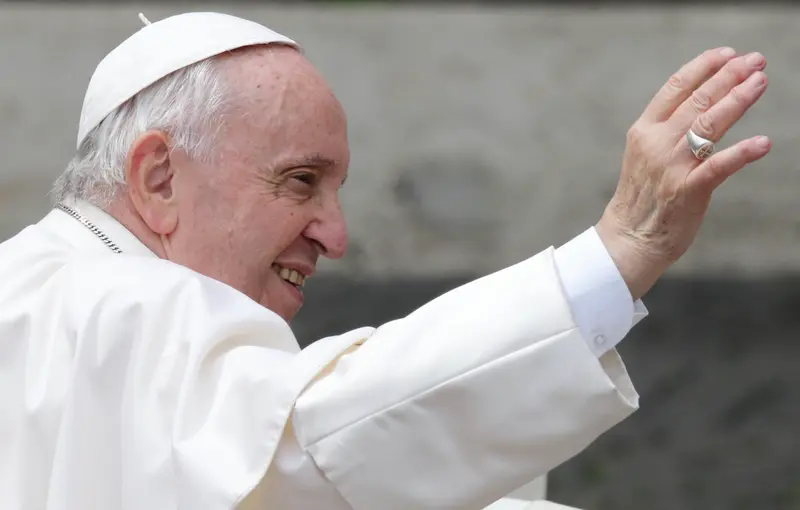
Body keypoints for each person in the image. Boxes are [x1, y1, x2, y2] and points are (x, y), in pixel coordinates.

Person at [0, 11, 770, 510]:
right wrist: (620, 250)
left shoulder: (40, 293)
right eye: (299, 181)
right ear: (159, 178)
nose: (335, 236)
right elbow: (317, 446)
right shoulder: (125, 309)